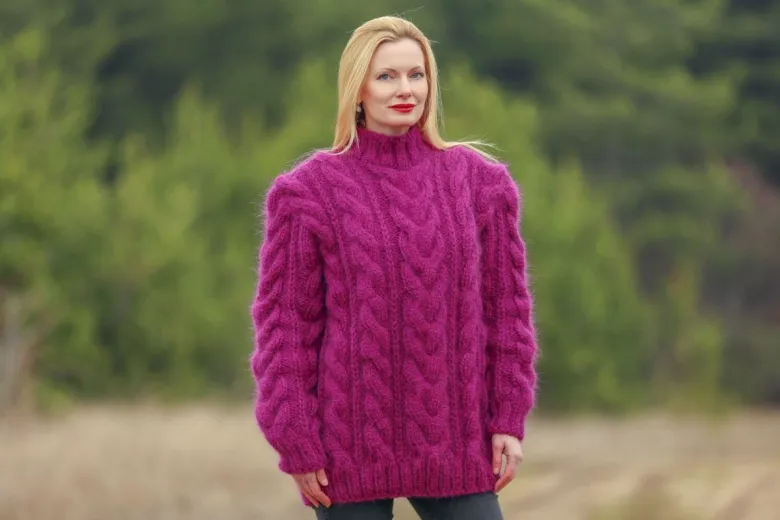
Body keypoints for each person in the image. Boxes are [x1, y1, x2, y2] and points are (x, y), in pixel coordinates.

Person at [249, 15, 539, 520]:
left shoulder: (482, 185)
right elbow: (286, 329)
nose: (406, 89)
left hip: (457, 443)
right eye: (386, 76)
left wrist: (507, 420)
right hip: (346, 449)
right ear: (357, 89)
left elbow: (507, 316)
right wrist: (295, 438)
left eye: (416, 74)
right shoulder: (307, 193)